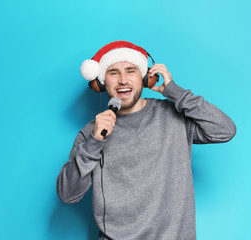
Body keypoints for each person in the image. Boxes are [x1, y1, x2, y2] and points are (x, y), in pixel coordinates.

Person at [56, 41, 236, 240]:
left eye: (131, 71)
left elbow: (224, 130)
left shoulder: (173, 116)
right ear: (101, 82)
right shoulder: (92, 132)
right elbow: (68, 194)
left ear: (144, 78)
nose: (123, 80)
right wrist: (94, 142)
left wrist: (177, 93)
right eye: (113, 72)